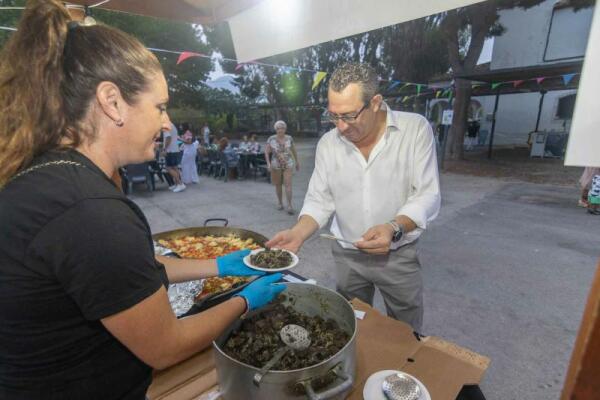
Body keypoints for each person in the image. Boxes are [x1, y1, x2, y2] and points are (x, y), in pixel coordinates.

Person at [0, 2, 285, 399]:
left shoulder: (51, 177)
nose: (167, 123)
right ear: (112, 102)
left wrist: (218, 263)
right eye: (160, 107)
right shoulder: (90, 213)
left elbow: (124, 274)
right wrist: (244, 301)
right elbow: (167, 347)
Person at [266, 63, 441, 331]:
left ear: (375, 103)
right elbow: (319, 199)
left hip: (398, 254)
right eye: (333, 116)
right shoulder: (328, 143)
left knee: (406, 330)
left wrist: (393, 228)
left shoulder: (414, 129)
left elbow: (427, 194)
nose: (341, 127)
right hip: (348, 255)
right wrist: (298, 233)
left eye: (348, 116)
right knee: (350, 325)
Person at [265, 121, 300, 214]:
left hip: (288, 164)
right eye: (278, 128)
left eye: (282, 128)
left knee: (288, 185)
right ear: (275, 129)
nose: (280, 130)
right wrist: (268, 163)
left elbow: (294, 150)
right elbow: (267, 152)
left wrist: (297, 162)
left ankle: (289, 205)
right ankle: (280, 203)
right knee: (278, 185)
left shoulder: (289, 138)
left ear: (285, 129)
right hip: (275, 165)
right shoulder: (271, 139)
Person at [163, 122, 185, 192]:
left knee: (168, 168)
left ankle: (180, 184)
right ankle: (179, 184)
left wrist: (165, 149)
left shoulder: (165, 126)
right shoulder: (172, 124)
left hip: (170, 150)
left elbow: (168, 138)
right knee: (175, 167)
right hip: (175, 149)